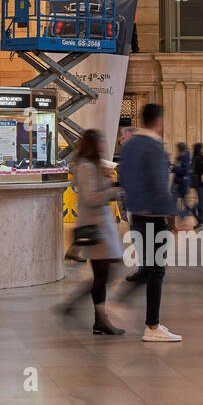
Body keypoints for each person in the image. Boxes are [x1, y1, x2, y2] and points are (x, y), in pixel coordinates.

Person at [119, 103, 181, 342]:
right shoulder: (155, 147)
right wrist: (172, 219)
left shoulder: (130, 145)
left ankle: (123, 305)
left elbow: (123, 178)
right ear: (159, 121)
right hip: (154, 216)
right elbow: (160, 185)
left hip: (137, 214)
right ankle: (152, 327)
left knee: (148, 267)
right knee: (156, 270)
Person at [56, 130, 124, 334]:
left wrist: (108, 183)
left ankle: (91, 315)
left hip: (102, 227)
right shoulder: (85, 167)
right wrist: (114, 191)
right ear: (93, 144)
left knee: (104, 273)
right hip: (96, 229)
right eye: (101, 142)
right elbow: (91, 198)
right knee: (105, 273)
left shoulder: (94, 166)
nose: (104, 145)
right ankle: (93, 316)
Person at [171, 141, 193, 224]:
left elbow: (184, 170)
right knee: (179, 201)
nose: (176, 150)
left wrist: (174, 168)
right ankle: (181, 215)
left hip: (181, 182)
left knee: (174, 201)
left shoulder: (185, 157)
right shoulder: (180, 156)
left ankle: (183, 214)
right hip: (178, 182)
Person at [189, 142, 203, 228]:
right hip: (200, 183)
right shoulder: (200, 158)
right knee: (202, 202)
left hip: (196, 183)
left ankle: (201, 220)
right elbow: (202, 171)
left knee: (201, 201)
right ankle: (193, 210)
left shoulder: (194, 158)